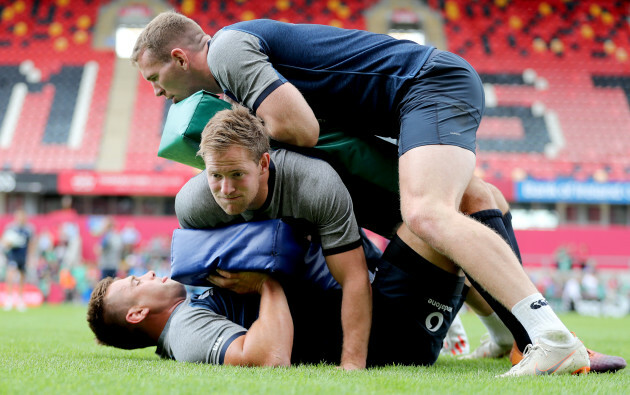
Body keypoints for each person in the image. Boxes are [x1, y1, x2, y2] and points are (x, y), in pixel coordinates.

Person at [131, 13, 590, 376]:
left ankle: (548, 339)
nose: (155, 92)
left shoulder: (228, 49)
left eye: (154, 77)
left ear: (179, 57)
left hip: (426, 85)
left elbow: (300, 129)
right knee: (469, 203)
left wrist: (242, 147)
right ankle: (511, 338)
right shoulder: (230, 84)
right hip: (398, 113)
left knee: (427, 212)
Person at [1, 209, 35, 311]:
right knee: (10, 274)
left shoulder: (28, 229)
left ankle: (20, 299)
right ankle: (9, 299)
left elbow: (31, 244)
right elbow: (4, 241)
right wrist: (11, 242)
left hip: (22, 256)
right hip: (13, 255)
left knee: (21, 277)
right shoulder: (11, 228)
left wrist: (30, 257)